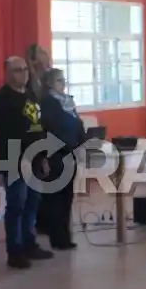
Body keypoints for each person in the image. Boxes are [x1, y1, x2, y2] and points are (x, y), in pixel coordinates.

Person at [0, 57, 52, 269]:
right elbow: (8, 132)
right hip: (15, 159)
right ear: (7, 73)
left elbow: (39, 128)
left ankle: (29, 243)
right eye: (18, 70)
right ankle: (14, 251)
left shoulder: (31, 95)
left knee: (33, 203)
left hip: (35, 158)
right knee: (17, 204)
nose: (23, 74)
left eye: (25, 69)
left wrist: (42, 156)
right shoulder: (1, 100)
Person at [38, 67, 86, 251]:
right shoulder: (48, 102)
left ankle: (65, 235)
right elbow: (53, 127)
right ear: (50, 83)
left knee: (67, 196)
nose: (63, 84)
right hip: (55, 153)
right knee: (55, 198)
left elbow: (77, 123)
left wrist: (82, 142)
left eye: (64, 80)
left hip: (71, 151)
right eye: (59, 80)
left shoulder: (67, 102)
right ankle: (56, 237)